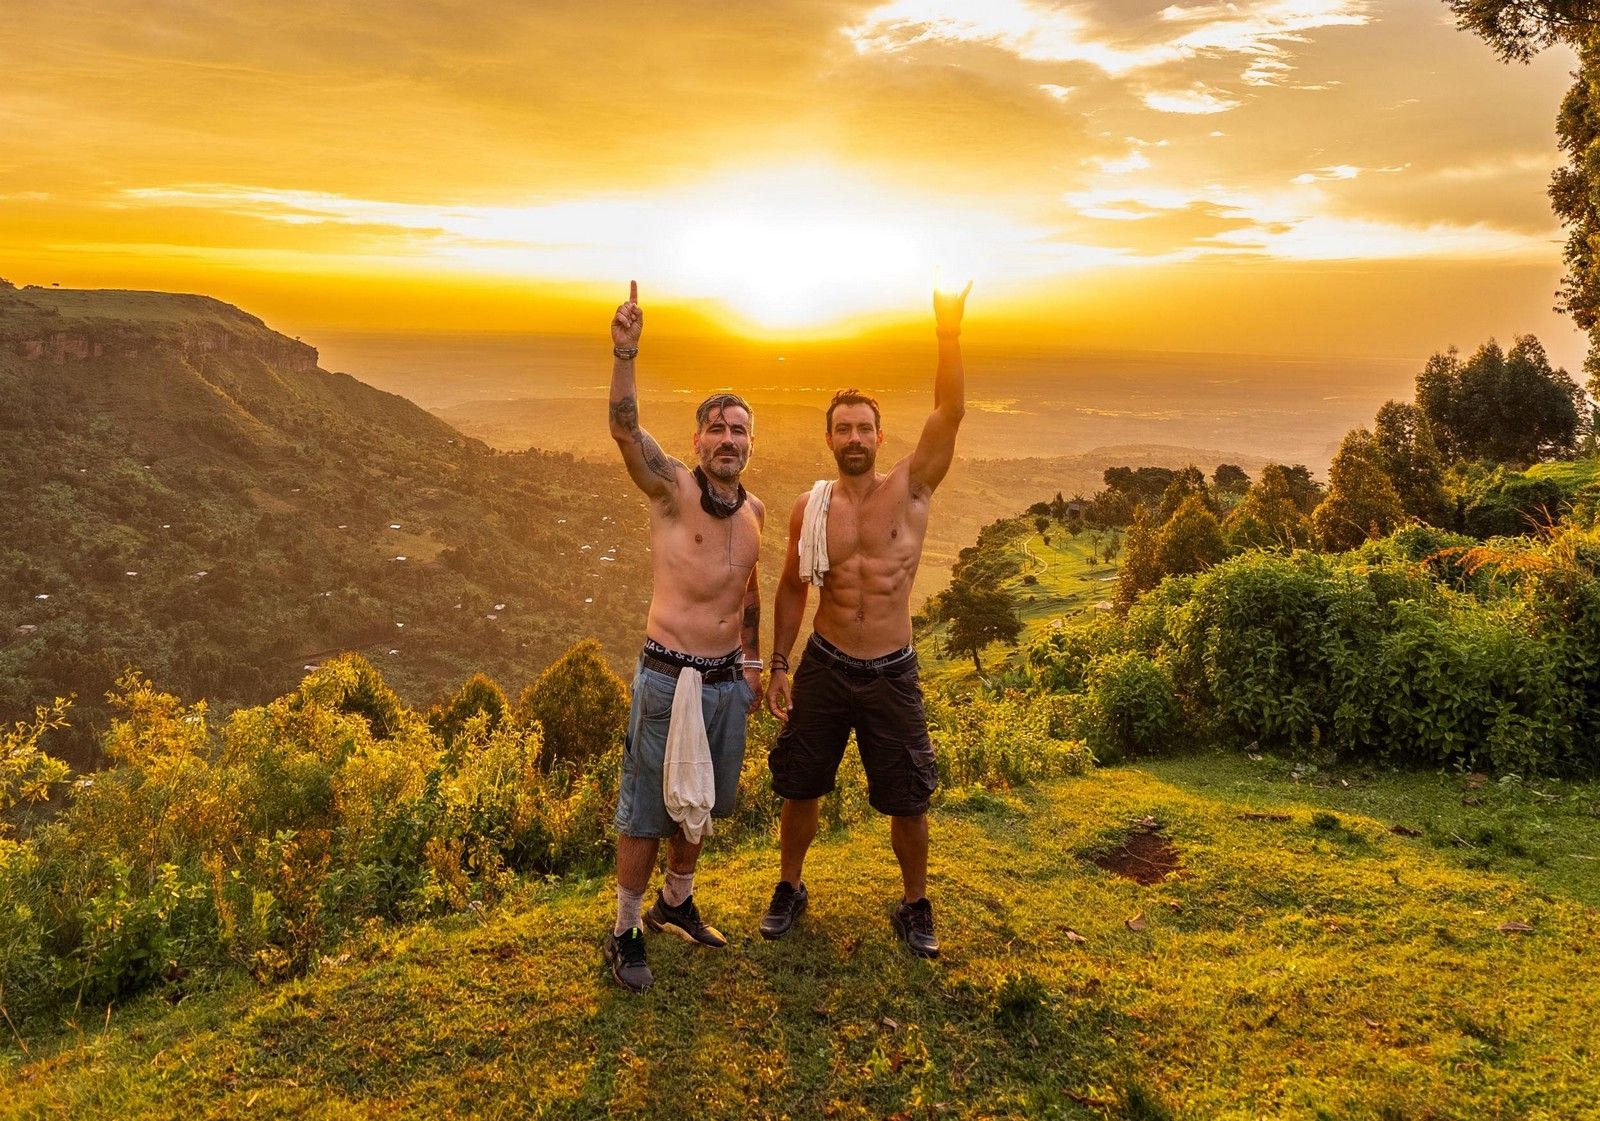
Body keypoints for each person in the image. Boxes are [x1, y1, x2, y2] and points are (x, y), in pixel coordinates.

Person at [761, 282, 971, 958]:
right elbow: (791, 585)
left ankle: (915, 902)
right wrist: (779, 662)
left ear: (880, 436)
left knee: (909, 796)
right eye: (843, 429)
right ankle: (789, 885)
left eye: (864, 428)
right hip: (824, 664)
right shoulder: (810, 507)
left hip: (890, 670)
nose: (854, 438)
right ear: (829, 437)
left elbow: (950, 411)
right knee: (801, 784)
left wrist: (947, 335)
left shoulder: (911, 488)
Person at [603, 280, 765, 993]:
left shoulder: (755, 511)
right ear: (698, 440)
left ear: (750, 443)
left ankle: (676, 901)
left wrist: (754, 665)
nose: (728, 440)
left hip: (727, 681)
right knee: (646, 808)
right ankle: (625, 928)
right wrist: (626, 352)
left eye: (739, 431)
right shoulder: (672, 489)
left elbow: (749, 590)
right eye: (717, 429)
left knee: (700, 801)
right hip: (669, 676)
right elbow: (624, 431)